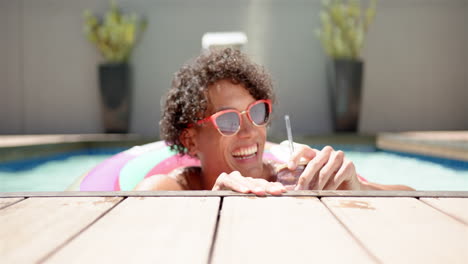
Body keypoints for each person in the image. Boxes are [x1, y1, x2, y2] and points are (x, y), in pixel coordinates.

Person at [135, 48, 414, 194]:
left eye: (256, 112)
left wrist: (360, 188)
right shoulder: (175, 189)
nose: (249, 131)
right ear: (190, 139)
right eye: (229, 120)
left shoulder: (292, 179)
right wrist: (212, 201)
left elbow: (415, 198)